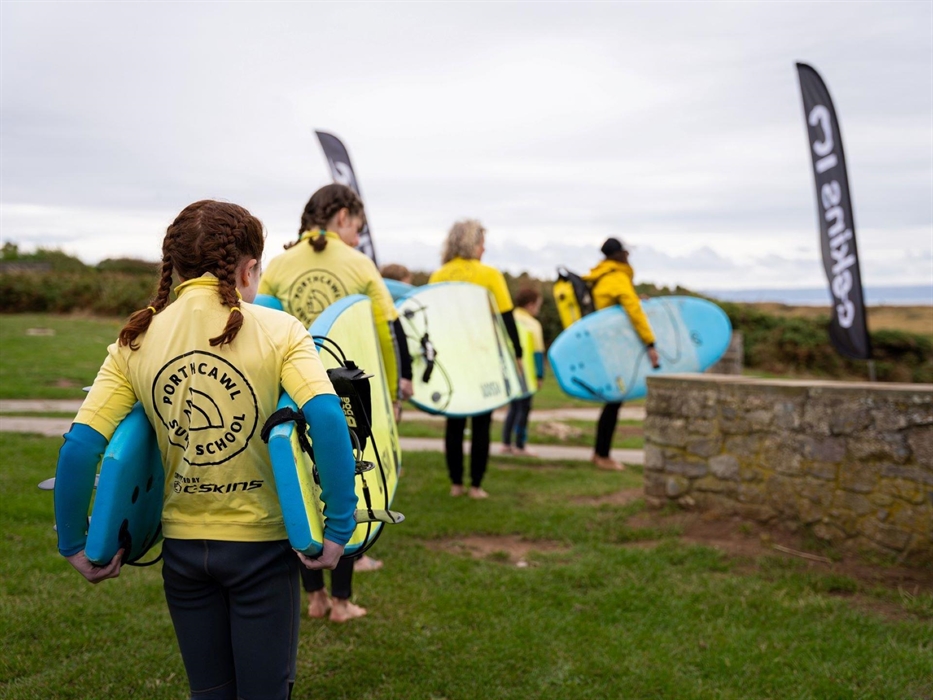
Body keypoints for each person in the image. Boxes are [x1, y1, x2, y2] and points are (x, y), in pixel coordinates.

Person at [53, 200, 358, 700]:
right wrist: (339, 527)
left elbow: (81, 447)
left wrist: (73, 542)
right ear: (249, 268)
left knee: (210, 692)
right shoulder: (282, 331)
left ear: (174, 268)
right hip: (262, 548)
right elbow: (326, 419)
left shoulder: (136, 339)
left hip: (184, 553)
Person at [259, 183, 410, 620]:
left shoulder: (281, 265)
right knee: (346, 484)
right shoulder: (360, 263)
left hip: (290, 390)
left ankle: (314, 598)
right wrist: (395, 390)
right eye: (358, 227)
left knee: (300, 484)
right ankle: (342, 601)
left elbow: (262, 322)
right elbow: (386, 329)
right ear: (342, 216)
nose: (358, 237)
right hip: (347, 391)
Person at [429, 219, 523, 499]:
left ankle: (455, 484)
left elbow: (433, 320)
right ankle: (476, 486)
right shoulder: (490, 274)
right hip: (483, 359)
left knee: (455, 422)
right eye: (482, 242)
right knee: (482, 423)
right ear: (474, 243)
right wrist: (516, 355)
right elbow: (507, 318)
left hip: (451, 357)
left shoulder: (439, 275)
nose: (485, 248)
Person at [582, 237, 659, 471]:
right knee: (614, 400)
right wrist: (650, 343)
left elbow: (617, 305)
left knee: (614, 401)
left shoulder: (601, 275)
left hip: (600, 344)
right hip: (612, 348)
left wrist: (635, 299)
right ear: (622, 253)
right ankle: (602, 455)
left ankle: (600, 453)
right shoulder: (616, 276)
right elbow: (633, 312)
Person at [501, 287, 545, 457]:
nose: (538, 309)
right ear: (530, 305)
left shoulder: (508, 319)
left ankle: (506, 443)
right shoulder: (533, 325)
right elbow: (538, 352)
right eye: (538, 305)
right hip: (527, 373)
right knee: (524, 409)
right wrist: (540, 375)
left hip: (509, 372)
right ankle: (520, 444)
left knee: (513, 407)